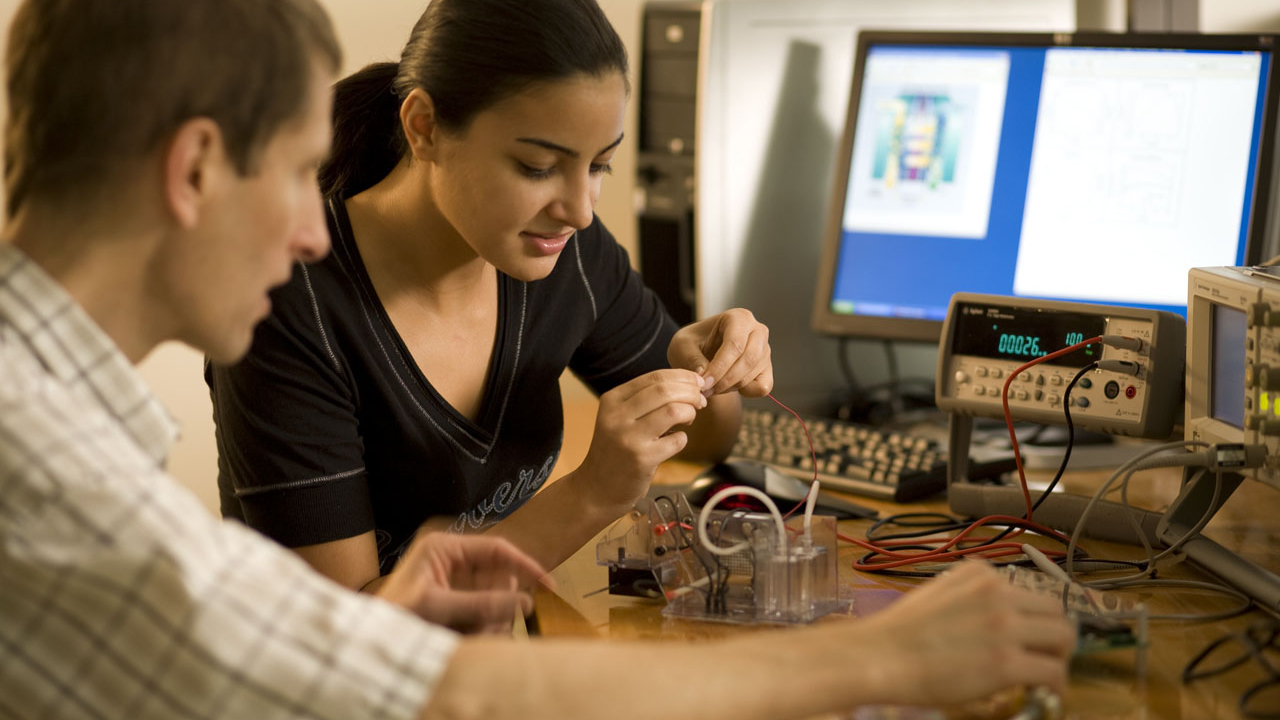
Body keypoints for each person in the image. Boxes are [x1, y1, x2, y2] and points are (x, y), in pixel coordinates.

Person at [0, 0, 1076, 717]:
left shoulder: (55, 420)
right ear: (193, 171)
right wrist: (887, 659)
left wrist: (699, 377)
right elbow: (433, 693)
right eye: (294, 173)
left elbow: (305, 664)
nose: (311, 229)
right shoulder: (39, 470)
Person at [206, 0, 773, 589]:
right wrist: (592, 493)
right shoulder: (285, 307)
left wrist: (703, 373)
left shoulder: (564, 251)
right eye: (536, 166)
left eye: (600, 165)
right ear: (423, 127)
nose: (579, 210)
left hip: (473, 659)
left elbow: (711, 441)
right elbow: (353, 634)